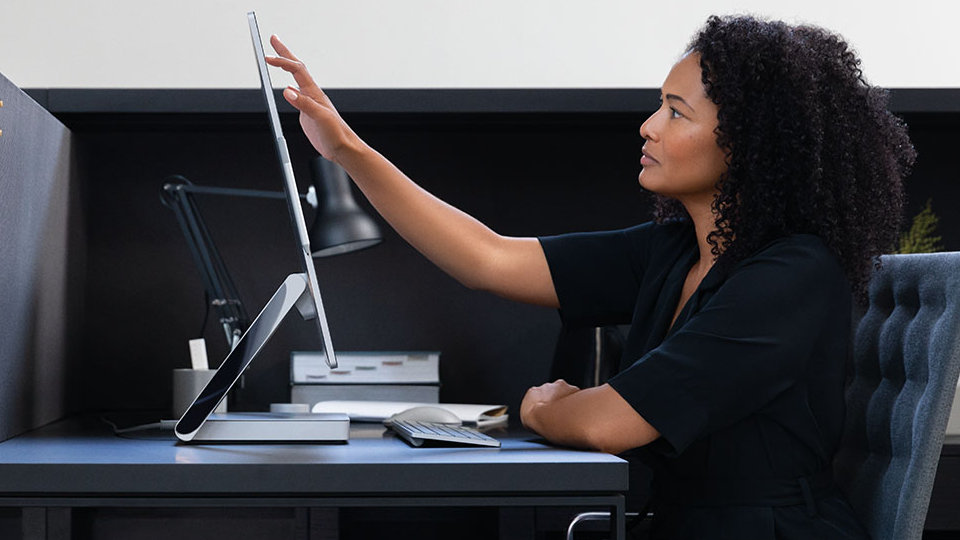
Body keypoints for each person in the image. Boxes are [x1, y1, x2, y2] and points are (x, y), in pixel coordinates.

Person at [266, 14, 915, 539]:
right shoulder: (675, 251)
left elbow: (610, 423)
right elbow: (487, 259)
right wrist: (345, 148)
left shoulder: (792, 275)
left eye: (676, 112)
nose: (648, 126)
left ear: (749, 143)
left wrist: (548, 409)